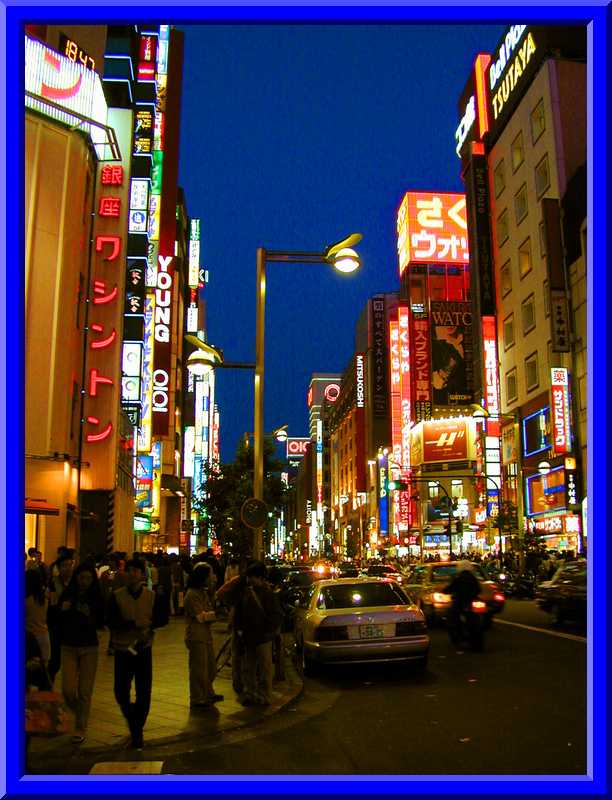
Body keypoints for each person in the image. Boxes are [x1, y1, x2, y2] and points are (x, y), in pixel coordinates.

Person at [106, 558, 169, 750]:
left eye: (136, 571)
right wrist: (135, 625)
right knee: (120, 691)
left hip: (143, 649)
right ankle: (134, 722)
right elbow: (111, 620)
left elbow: (161, 618)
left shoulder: (151, 596)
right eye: (129, 570)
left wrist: (149, 628)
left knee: (144, 691)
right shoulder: (116, 596)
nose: (132, 574)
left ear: (143, 575)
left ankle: (136, 729)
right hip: (122, 649)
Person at [57, 562, 106, 743]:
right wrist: (63, 610)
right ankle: (80, 712)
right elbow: (56, 618)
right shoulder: (68, 595)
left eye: (87, 578)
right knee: (67, 690)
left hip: (89, 647)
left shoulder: (96, 598)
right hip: (68, 645)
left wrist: (91, 616)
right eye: (81, 577)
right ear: (76, 578)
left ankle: (80, 726)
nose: (84, 581)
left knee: (85, 690)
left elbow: (102, 620)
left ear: (92, 579)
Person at [239, 562, 283, 707]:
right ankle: (250, 694)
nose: (250, 580)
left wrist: (268, 631)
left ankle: (264, 695)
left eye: (252, 577)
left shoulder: (268, 594)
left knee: (264, 668)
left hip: (262, 637)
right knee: (249, 668)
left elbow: (276, 616)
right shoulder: (247, 592)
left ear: (260, 577)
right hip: (249, 636)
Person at [183, 563, 223, 708]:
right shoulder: (191, 594)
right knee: (198, 668)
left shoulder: (203, 593)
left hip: (205, 635)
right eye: (210, 574)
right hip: (196, 635)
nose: (212, 577)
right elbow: (200, 616)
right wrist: (215, 615)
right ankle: (197, 697)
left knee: (210, 667)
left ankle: (208, 692)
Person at [47, 552, 75, 685]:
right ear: (59, 567)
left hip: (72, 627)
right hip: (57, 626)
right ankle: (49, 684)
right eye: (64, 565)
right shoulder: (53, 584)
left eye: (70, 565)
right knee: (55, 660)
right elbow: (51, 607)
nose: (68, 568)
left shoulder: (76, 583)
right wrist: (60, 607)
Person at [443, 560, 482, 646]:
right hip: (471, 601)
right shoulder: (473, 578)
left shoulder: (458, 578)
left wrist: (445, 591)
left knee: (451, 616)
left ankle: (458, 636)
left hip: (461, 601)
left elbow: (450, 588)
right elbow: (479, 589)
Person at [25, 568, 50, 667]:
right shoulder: (44, 599)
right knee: (43, 672)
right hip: (44, 636)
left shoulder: (25, 600)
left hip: (29, 638)